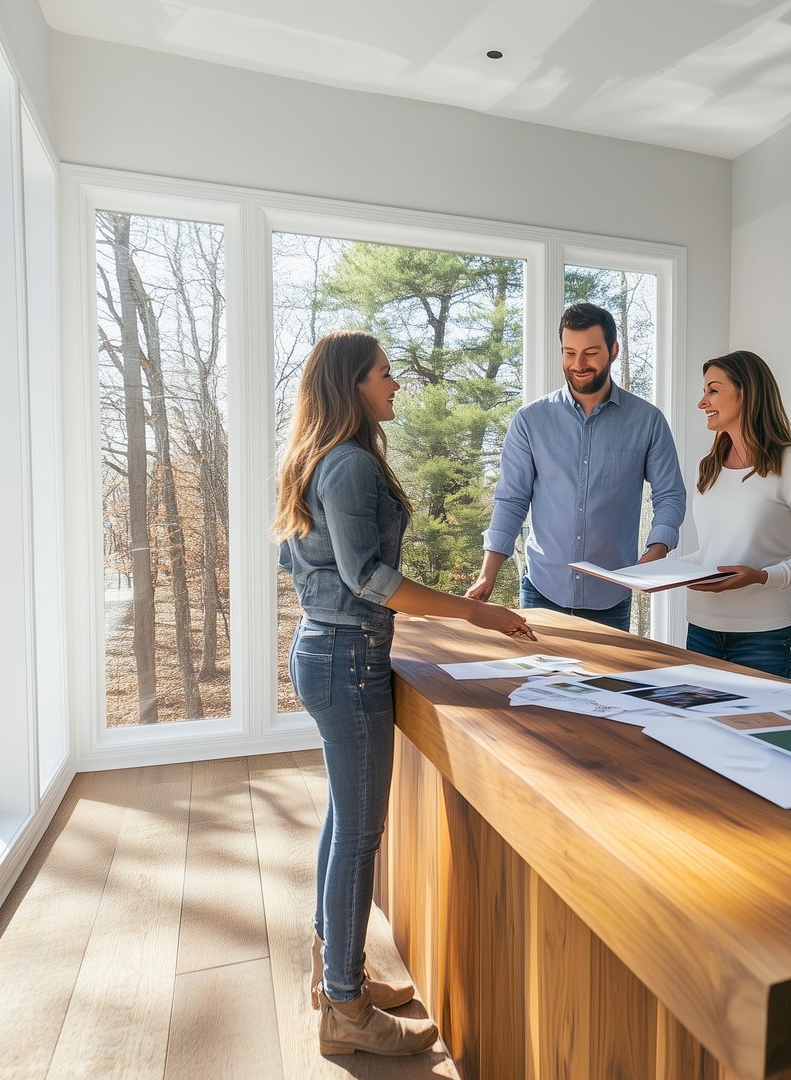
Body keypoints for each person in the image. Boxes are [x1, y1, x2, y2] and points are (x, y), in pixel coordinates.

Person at [274, 330, 534, 1057]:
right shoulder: (350, 464)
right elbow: (372, 581)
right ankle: (347, 1012)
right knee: (358, 835)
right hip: (347, 659)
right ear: (353, 384)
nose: (396, 385)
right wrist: (474, 610)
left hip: (327, 650)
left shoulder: (316, 456)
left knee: (341, 822)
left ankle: (337, 978)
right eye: (385, 375)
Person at [466, 302, 686, 632]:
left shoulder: (648, 422)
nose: (578, 364)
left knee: (609, 685)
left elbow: (670, 496)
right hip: (542, 591)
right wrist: (488, 573)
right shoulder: (530, 421)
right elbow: (511, 500)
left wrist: (658, 548)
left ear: (613, 350)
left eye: (590, 353)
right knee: (538, 684)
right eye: (569, 353)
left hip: (611, 596)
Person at [677, 350, 791, 679]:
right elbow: (713, 551)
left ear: (746, 393)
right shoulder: (706, 468)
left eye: (713, 390)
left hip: (767, 638)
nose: (702, 402)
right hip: (701, 631)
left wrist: (763, 577)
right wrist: (664, 571)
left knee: (759, 731)